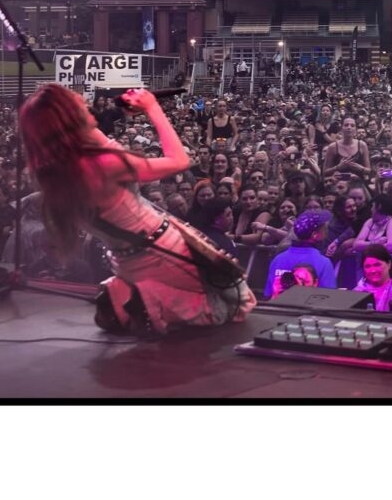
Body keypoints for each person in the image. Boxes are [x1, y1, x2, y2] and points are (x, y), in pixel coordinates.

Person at [18, 84, 255, 336]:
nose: (87, 106)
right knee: (235, 302)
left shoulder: (56, 174)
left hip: (126, 261)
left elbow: (97, 145)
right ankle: (153, 302)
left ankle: (123, 297)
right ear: (68, 120)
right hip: (162, 249)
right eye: (78, 105)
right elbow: (180, 160)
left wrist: (88, 129)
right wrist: (152, 108)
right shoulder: (102, 165)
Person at [263, 209, 338, 298]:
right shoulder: (324, 263)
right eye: (324, 228)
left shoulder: (278, 259)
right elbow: (328, 298)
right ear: (315, 235)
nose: (327, 231)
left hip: (279, 310)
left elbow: (268, 295)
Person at [353, 243, 392, 311]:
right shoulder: (357, 293)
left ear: (389, 264)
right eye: (367, 266)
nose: (373, 271)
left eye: (377, 265)